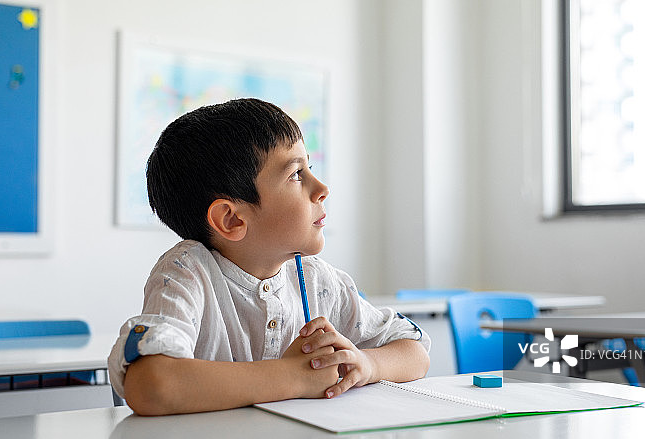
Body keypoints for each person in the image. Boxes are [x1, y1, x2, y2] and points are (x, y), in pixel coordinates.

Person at [108, 98, 430, 415]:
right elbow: (151, 384)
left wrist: (367, 364)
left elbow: (415, 351)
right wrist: (293, 376)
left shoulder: (318, 281)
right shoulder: (188, 272)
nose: (321, 188)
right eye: (295, 175)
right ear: (232, 220)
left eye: (310, 169)